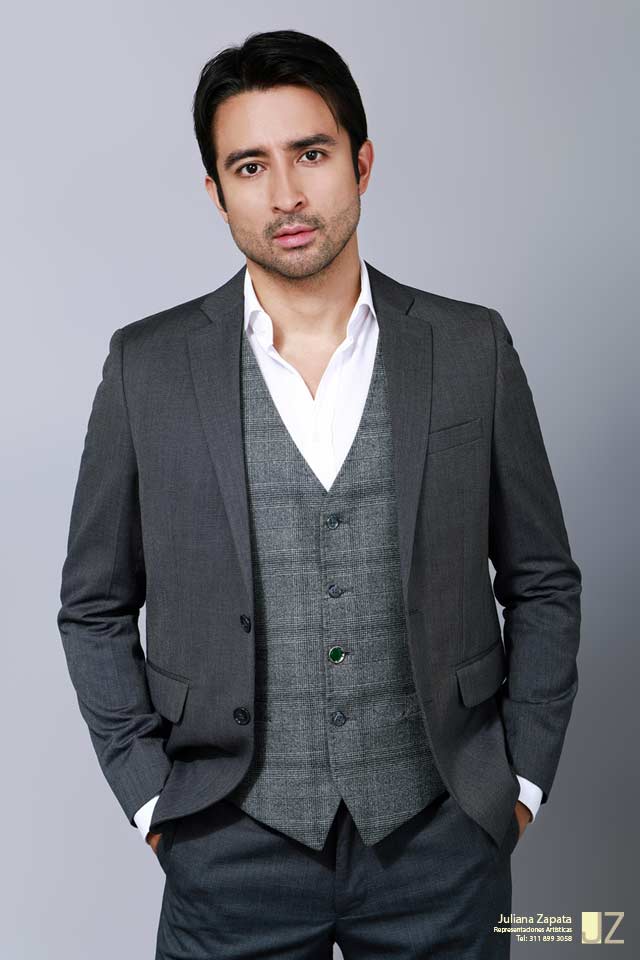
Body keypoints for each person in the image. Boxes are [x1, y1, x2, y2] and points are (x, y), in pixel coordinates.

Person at [57, 28, 582, 959]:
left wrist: (522, 785)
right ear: (216, 192)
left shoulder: (471, 349)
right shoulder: (146, 366)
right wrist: (152, 801)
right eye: (250, 166)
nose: (286, 195)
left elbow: (542, 579)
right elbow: (93, 606)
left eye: (311, 154)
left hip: (443, 838)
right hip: (225, 843)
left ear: (361, 162)